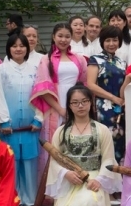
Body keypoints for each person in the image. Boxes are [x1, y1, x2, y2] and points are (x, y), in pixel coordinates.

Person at [46, 85, 121, 206]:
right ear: (69, 105)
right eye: (75, 102)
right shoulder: (61, 132)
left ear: (91, 103)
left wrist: (99, 180)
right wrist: (66, 174)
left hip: (93, 178)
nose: (80, 106)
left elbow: (108, 159)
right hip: (71, 179)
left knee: (87, 203)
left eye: (84, 101)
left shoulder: (102, 130)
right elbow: (55, 160)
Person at [30, 22, 88, 194]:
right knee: (54, 146)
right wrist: (61, 109)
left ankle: (77, 185)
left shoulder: (79, 59)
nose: (63, 39)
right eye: (60, 36)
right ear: (53, 37)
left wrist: (78, 107)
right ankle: (53, 190)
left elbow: (83, 85)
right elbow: (43, 90)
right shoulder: (46, 60)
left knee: (76, 142)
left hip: (76, 104)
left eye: (67, 36)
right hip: (54, 106)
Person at [0, 34, 42, 206]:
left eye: (22, 46)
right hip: (9, 129)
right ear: (8, 48)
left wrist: (38, 118)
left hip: (30, 128)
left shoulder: (36, 69)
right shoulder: (1, 70)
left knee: (29, 163)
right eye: (14, 46)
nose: (18, 49)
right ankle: (12, 198)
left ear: (27, 48)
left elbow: (41, 96)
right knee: (10, 163)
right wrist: (3, 121)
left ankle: (30, 198)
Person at [86, 26, 127, 164]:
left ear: (119, 41)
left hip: (121, 108)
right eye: (108, 40)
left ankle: (118, 172)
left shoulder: (122, 62)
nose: (111, 44)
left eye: (115, 40)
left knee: (120, 139)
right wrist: (113, 98)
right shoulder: (95, 60)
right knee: (105, 140)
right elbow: (90, 85)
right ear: (102, 42)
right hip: (103, 107)